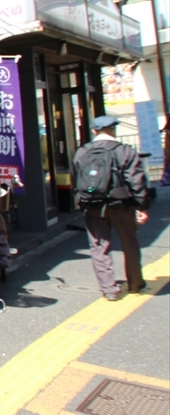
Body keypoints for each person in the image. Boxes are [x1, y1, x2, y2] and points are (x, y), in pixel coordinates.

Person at [72, 115, 155, 300]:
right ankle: (135, 283)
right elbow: (136, 182)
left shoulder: (81, 152)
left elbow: (76, 180)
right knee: (129, 242)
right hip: (121, 205)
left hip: (92, 205)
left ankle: (109, 289)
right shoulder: (125, 151)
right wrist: (142, 206)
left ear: (94, 131)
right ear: (113, 130)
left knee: (99, 247)